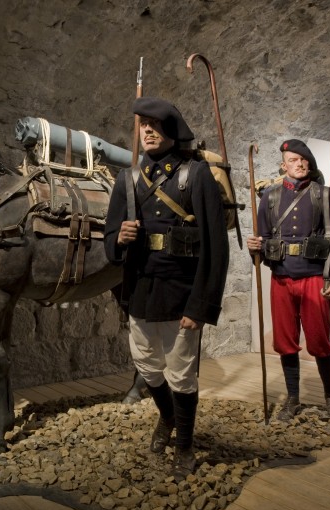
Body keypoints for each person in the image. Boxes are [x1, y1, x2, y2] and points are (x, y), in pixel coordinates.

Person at [104, 97, 229, 481]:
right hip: (140, 291)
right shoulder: (127, 180)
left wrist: (201, 305)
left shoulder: (197, 176)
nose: (147, 132)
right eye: (143, 126)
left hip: (181, 292)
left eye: (155, 126)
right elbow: (109, 241)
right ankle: (167, 416)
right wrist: (119, 238)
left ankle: (185, 445)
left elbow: (216, 248)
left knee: (181, 374)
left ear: (172, 133)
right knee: (146, 366)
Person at [247, 139, 330, 421]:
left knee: (319, 341)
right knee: (285, 341)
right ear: (284, 165)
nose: (299, 164)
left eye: (304, 160)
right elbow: (264, 238)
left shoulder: (323, 195)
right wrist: (255, 248)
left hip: (315, 277)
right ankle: (292, 397)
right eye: (293, 160)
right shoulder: (271, 197)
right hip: (281, 277)